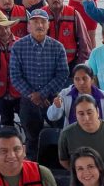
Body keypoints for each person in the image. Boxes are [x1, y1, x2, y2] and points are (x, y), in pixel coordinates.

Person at [9, 9, 70, 159]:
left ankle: (58, 165)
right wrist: (33, 96)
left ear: (48, 25)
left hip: (53, 100)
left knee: (59, 135)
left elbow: (63, 73)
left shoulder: (57, 47)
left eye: (43, 21)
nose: (39, 25)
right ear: (29, 26)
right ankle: (34, 168)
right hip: (28, 101)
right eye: (35, 22)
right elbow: (15, 77)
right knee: (31, 138)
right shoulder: (18, 47)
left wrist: (41, 94)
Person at [57, 95, 104, 176]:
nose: (86, 118)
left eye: (89, 112)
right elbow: (64, 161)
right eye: (81, 114)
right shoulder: (67, 134)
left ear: (98, 112)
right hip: (82, 180)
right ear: (76, 115)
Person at [48, 64, 104, 128]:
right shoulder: (65, 94)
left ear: (92, 79)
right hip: (73, 137)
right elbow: (52, 117)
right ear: (73, 80)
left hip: (99, 138)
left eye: (85, 78)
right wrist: (57, 107)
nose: (81, 83)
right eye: (77, 79)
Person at [41, 0, 92, 71]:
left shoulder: (73, 13)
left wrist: (78, 66)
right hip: (46, 65)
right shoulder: (41, 14)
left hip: (70, 64)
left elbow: (84, 43)